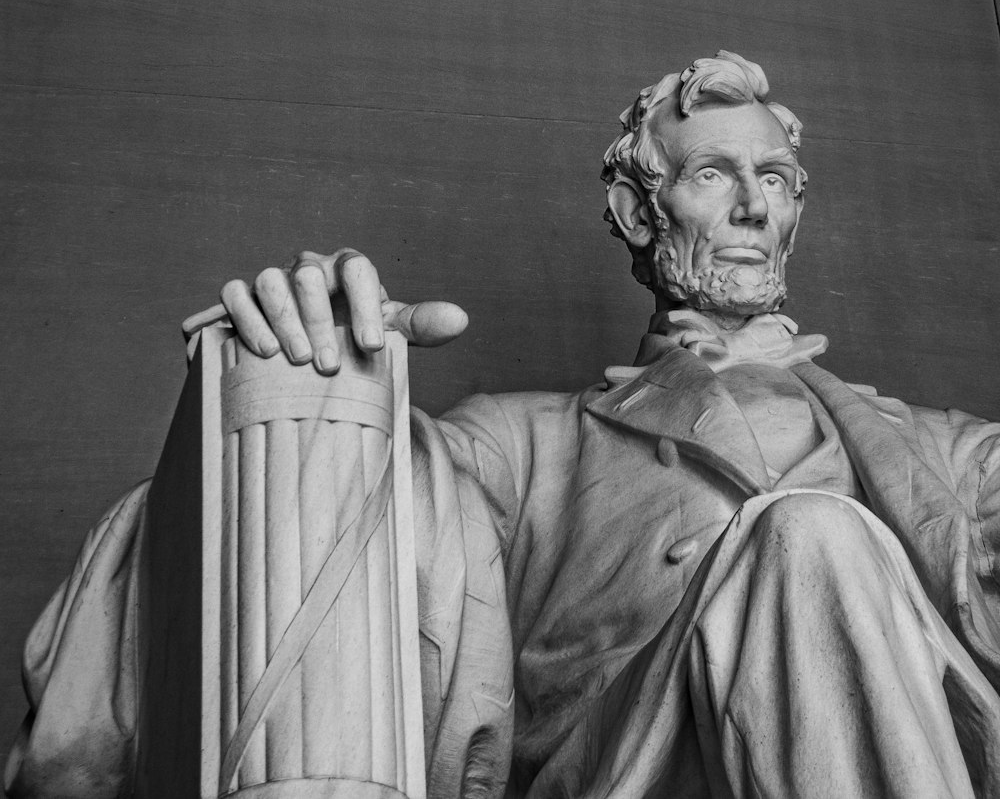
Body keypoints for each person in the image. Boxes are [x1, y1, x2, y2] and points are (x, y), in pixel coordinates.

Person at [9, 50, 1000, 799]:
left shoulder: (945, 452)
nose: (750, 207)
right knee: (806, 530)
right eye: (711, 175)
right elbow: (339, 505)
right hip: (633, 765)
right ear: (637, 208)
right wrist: (314, 359)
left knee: (817, 533)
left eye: (775, 180)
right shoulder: (523, 445)